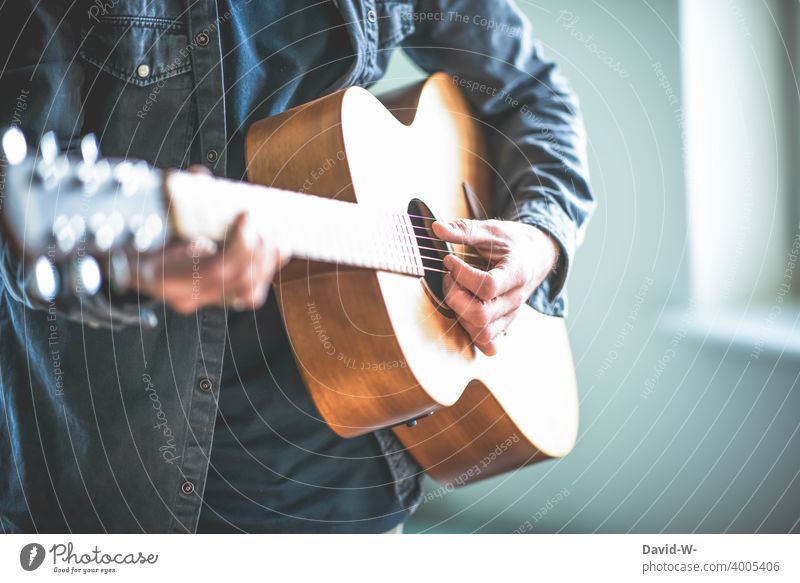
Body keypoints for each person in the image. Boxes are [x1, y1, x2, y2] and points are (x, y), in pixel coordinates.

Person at [0, 0, 594, 533]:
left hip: (350, 475)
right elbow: (17, 213)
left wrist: (541, 238)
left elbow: (535, 97)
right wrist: (135, 276)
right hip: (118, 475)